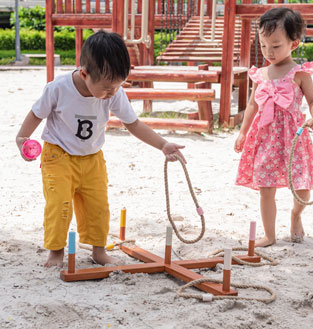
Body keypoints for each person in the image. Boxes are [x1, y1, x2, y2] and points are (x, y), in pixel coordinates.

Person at [16, 31, 186, 268]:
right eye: (107, 88)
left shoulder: (114, 92)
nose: (112, 92)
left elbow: (133, 124)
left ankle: (98, 251)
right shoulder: (58, 88)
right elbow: (36, 113)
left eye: (118, 86)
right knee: (59, 204)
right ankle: (56, 253)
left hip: (92, 157)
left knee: (98, 206)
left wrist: (163, 145)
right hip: (58, 155)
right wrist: (23, 138)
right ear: (84, 74)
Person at [234, 8, 313, 247]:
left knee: (301, 186)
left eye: (275, 46)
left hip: (295, 136)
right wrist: (242, 132)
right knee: (266, 187)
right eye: (263, 46)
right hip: (266, 138)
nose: (268, 52)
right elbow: (252, 106)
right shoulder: (260, 74)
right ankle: (270, 234)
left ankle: (295, 215)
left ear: (293, 44)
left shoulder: (300, 73)